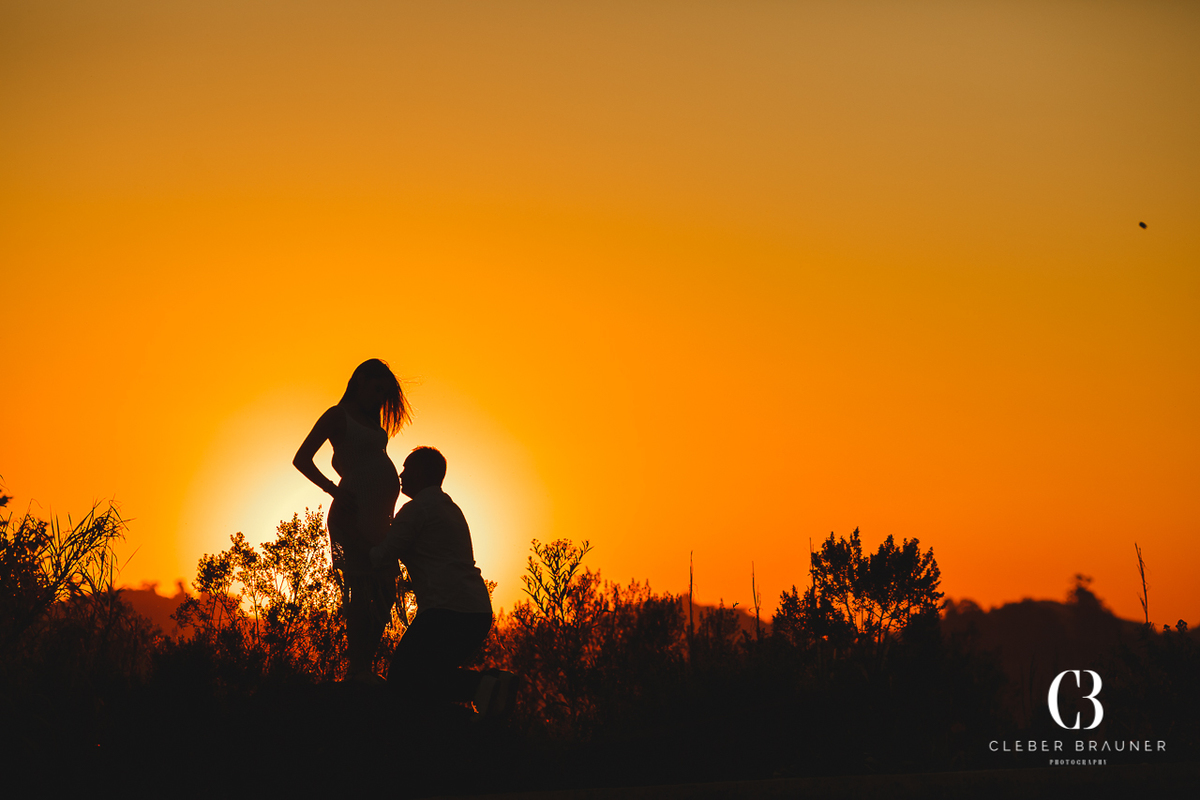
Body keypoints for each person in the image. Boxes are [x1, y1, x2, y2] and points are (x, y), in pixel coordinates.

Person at [370, 447, 513, 716]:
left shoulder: (416, 510)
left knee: (403, 678)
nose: (401, 475)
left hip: (446, 611)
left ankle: (486, 685)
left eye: (407, 469)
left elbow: (383, 555)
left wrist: (359, 543)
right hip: (476, 611)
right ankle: (486, 691)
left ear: (422, 472)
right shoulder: (450, 509)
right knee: (428, 677)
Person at [294, 358, 411, 682]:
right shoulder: (337, 416)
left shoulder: (376, 427)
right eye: (376, 389)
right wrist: (332, 489)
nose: (379, 398)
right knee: (361, 591)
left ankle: (363, 666)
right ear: (359, 380)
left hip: (378, 520)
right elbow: (301, 458)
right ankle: (358, 669)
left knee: (385, 591)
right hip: (352, 517)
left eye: (384, 393)